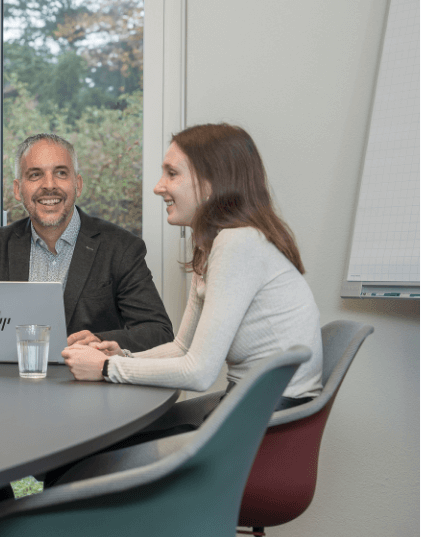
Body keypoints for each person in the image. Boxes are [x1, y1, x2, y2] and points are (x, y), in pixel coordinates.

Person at [63, 123, 323, 417]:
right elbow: (182, 347)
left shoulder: (238, 243)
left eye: (172, 173)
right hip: (251, 403)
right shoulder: (213, 244)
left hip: (271, 417)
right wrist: (124, 355)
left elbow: (198, 373)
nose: (158, 187)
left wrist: (107, 368)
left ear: (211, 183)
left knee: (122, 441)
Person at [0, 133, 173, 361]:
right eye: (35, 175)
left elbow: (159, 332)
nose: (49, 185)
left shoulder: (120, 247)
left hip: (89, 388)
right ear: (18, 190)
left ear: (78, 185)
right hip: (11, 386)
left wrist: (100, 340)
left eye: (61, 173)